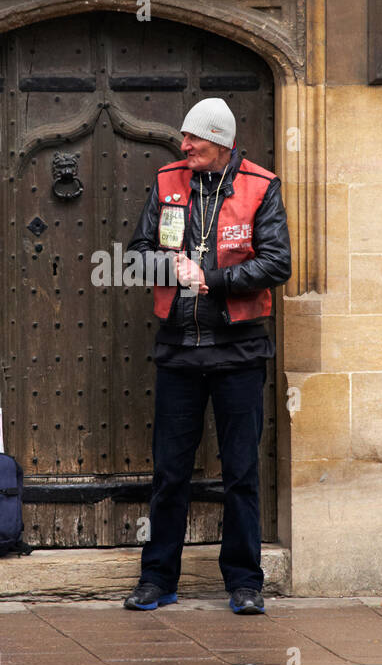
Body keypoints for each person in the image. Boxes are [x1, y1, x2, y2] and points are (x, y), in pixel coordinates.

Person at [124, 97, 291, 615]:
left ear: (219, 141)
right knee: (170, 472)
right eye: (184, 137)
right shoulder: (166, 181)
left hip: (238, 352)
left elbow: (276, 262)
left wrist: (212, 281)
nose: (184, 145)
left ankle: (245, 582)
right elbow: (134, 256)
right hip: (178, 351)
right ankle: (157, 579)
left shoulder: (260, 186)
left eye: (193, 138)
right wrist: (162, 267)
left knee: (241, 471)